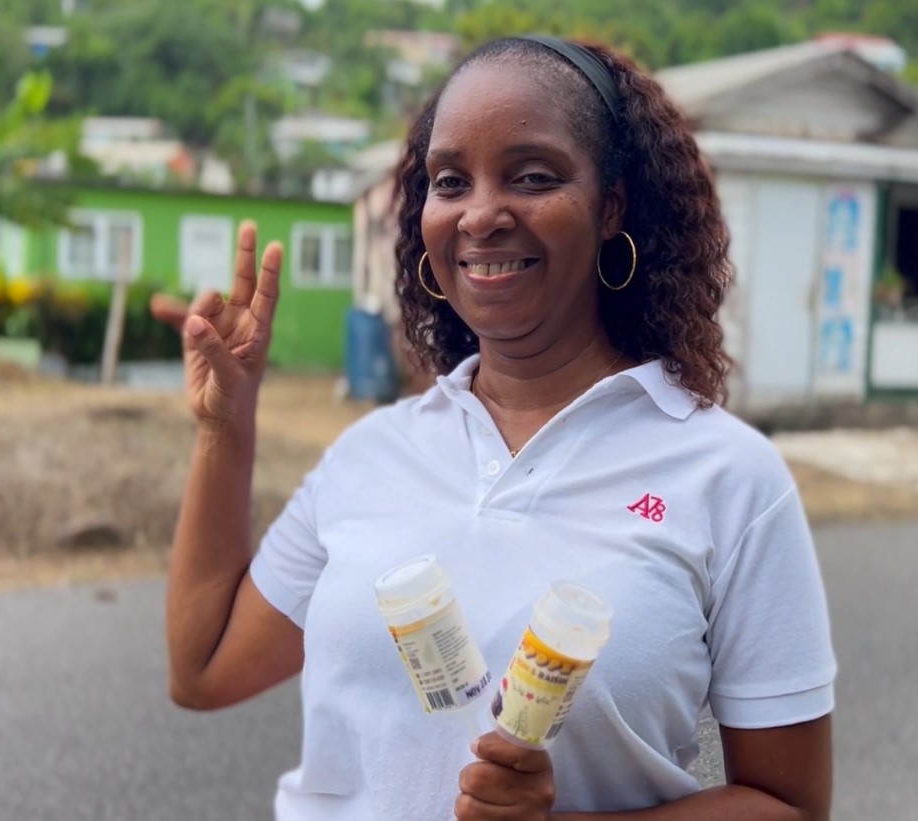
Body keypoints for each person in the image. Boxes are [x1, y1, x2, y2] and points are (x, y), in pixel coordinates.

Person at [152, 35, 836, 821]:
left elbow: (789, 803)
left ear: (611, 205)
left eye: (532, 176)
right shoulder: (371, 454)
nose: (480, 213)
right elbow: (203, 669)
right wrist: (226, 426)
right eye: (450, 181)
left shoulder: (727, 477)